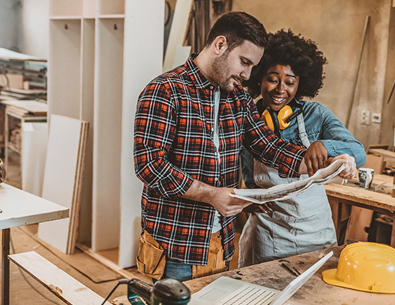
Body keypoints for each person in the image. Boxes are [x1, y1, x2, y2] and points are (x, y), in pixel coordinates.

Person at [134, 12, 356, 282]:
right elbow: (149, 165)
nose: (248, 75)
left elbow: (268, 147)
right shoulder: (165, 90)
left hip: (222, 243)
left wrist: (328, 164)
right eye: (244, 62)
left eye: (253, 66)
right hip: (177, 245)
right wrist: (212, 195)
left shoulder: (237, 97)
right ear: (219, 45)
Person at [238, 29, 365, 267]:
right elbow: (249, 175)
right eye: (272, 79)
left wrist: (324, 145)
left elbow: (358, 151)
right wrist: (250, 198)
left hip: (315, 229)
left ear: (301, 83)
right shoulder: (249, 118)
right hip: (269, 230)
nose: (280, 89)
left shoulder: (316, 115)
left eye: (290, 82)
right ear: (258, 78)